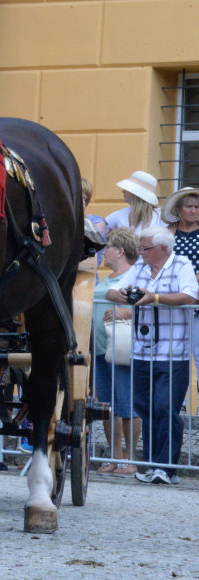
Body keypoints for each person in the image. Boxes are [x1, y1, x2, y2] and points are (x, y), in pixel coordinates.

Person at [106, 226, 197, 485]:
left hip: (173, 352)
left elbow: (191, 295)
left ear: (163, 248)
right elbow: (111, 291)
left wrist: (154, 297)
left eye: (145, 248)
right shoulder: (140, 267)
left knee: (165, 407)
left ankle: (167, 468)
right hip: (142, 351)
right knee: (145, 408)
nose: (141, 252)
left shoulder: (181, 264)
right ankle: (151, 464)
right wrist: (122, 295)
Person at [93, 228, 142, 476]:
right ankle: (115, 457)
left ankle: (130, 459)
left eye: (108, 246)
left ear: (120, 251)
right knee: (107, 406)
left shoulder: (134, 275)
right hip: (101, 348)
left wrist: (127, 313)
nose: (104, 251)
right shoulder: (110, 277)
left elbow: (148, 307)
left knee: (127, 404)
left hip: (121, 348)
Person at [161, 187, 199, 377]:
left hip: (196, 300)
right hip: (172, 300)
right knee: (171, 355)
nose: (193, 211)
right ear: (178, 209)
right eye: (189, 207)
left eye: (197, 207)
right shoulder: (168, 233)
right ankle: (176, 396)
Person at [105, 170, 164, 235]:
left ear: (135, 194)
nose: (123, 191)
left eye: (127, 188)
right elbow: (101, 230)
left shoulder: (162, 216)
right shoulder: (119, 215)